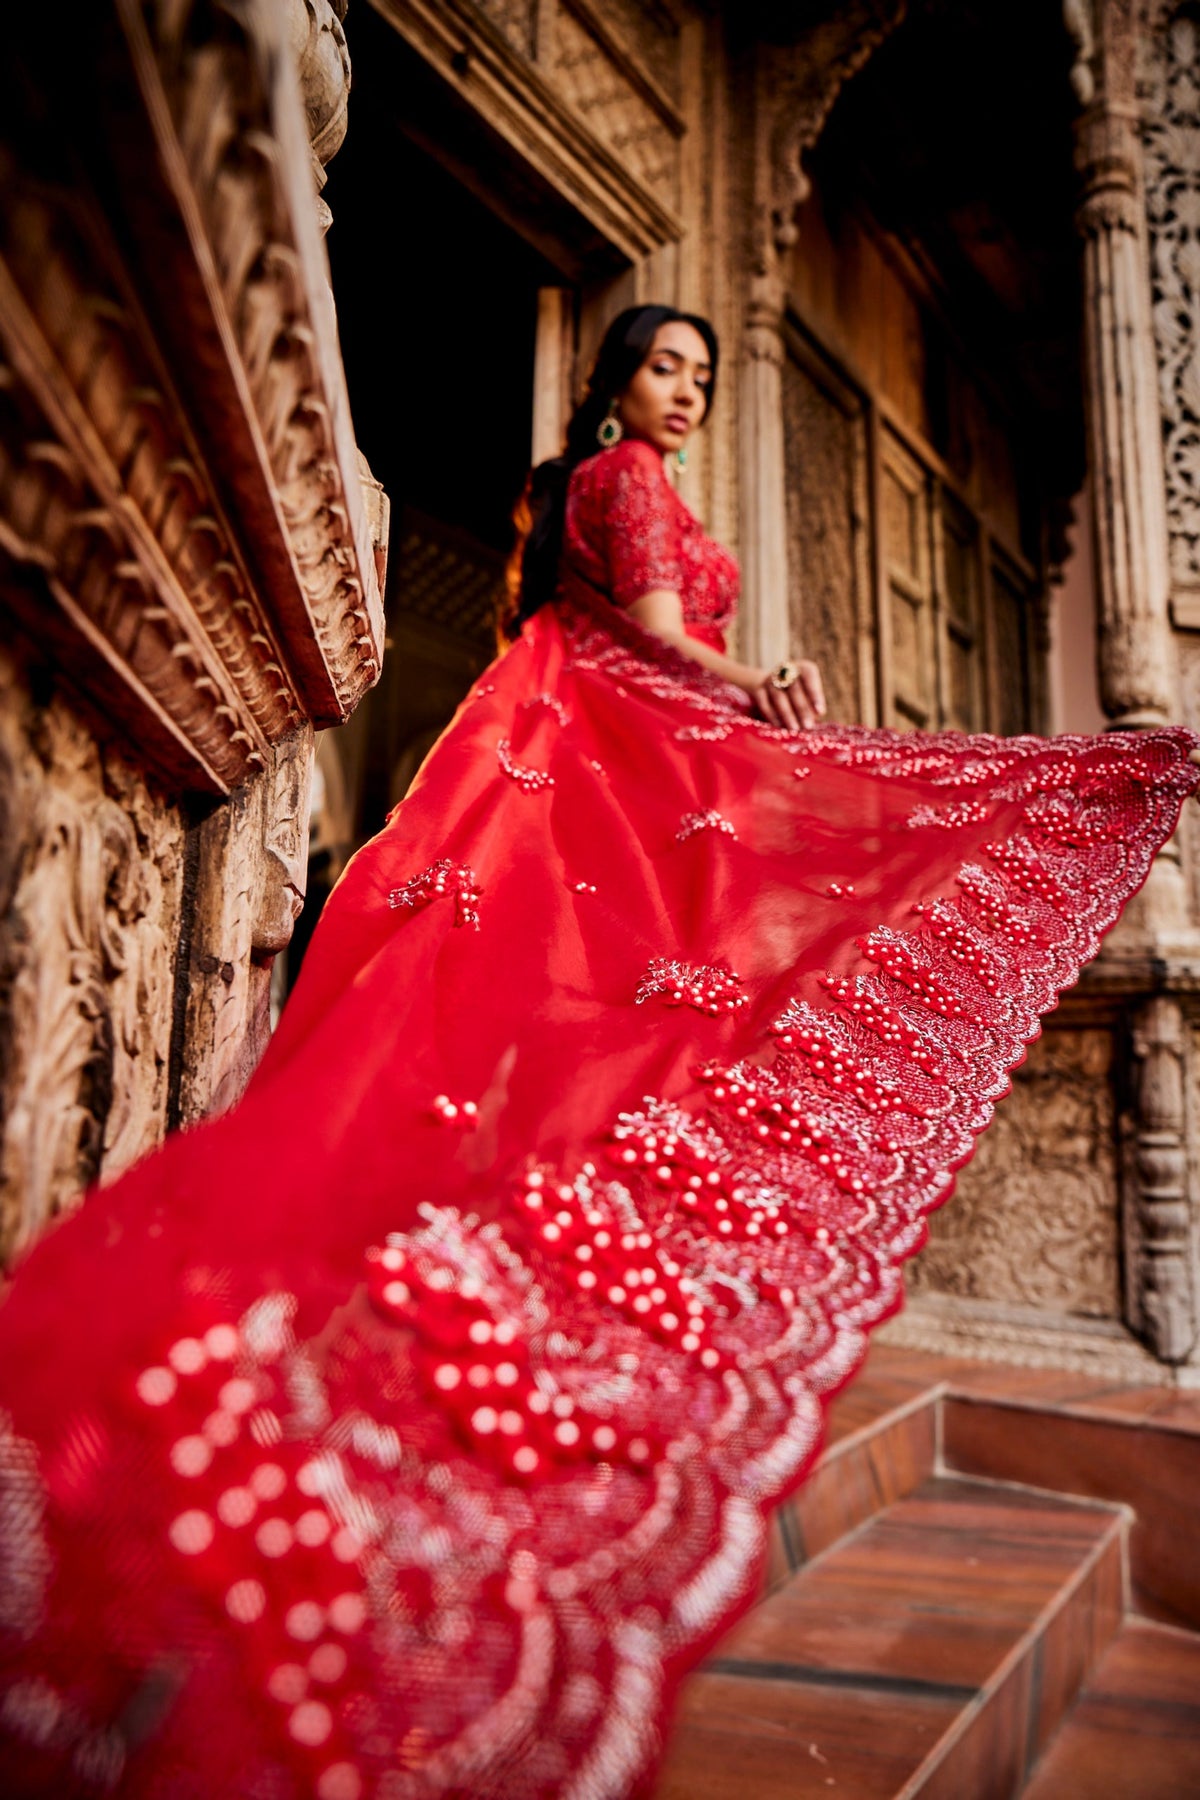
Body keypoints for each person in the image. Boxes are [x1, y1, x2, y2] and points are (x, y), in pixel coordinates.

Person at [0, 304, 1196, 1800]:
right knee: (585, 1049)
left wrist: (742, 693)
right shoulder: (623, 477)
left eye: (701, 374)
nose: (685, 393)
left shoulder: (646, 489)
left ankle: (400, 1342)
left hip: (628, 757)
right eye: (664, 368)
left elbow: (657, 640)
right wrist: (749, 695)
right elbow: (649, 633)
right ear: (613, 383)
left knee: (549, 1048)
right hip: (616, 754)